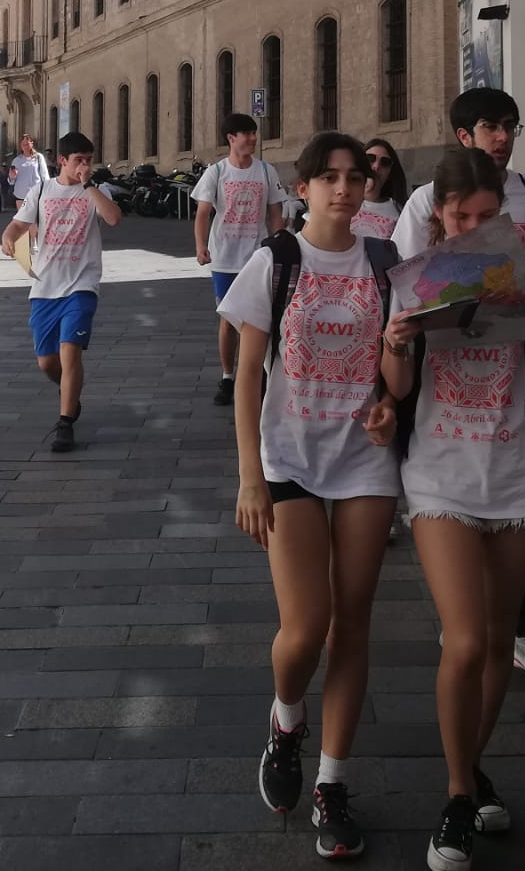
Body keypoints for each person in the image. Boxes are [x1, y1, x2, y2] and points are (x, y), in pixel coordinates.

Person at [377, 148, 525, 871]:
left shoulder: (520, 269)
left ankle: (472, 772)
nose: (472, 226)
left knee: (501, 640)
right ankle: (454, 793)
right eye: (459, 215)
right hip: (440, 471)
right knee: (465, 641)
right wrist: (399, 341)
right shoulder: (415, 278)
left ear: (503, 213)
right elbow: (398, 389)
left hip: (515, 468)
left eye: (485, 215)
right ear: (438, 214)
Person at [221, 132, 402, 860]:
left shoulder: (386, 264)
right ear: (303, 188)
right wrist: (248, 476)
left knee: (352, 626)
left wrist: (390, 398)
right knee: (306, 627)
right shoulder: (278, 260)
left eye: (356, 177)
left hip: (364, 460)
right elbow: (247, 375)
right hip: (290, 459)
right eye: (329, 177)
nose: (344, 189)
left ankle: (332, 783)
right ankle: (286, 717)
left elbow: (397, 356)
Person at [394, 87, 525, 694]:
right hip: (444, 390)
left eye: (511, 127)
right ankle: (465, 619)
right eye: (491, 127)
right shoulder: (424, 200)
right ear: (464, 134)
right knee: (459, 532)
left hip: (523, 379)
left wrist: (523, 294)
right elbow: (410, 285)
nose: (504, 137)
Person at [0, 132, 121, 454]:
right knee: (47, 362)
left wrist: (89, 185)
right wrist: (9, 238)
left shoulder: (96, 191)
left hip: (82, 284)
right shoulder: (41, 191)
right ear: (62, 162)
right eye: (78, 160)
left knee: (70, 351)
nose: (84, 166)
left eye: (88, 160)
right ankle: (70, 390)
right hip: (45, 286)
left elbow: (113, 218)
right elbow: (17, 224)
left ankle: (65, 423)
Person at [194, 114, 289, 408]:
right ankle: (227, 375)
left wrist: (278, 242)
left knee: (259, 318)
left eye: (253, 133)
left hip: (257, 255)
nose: (252, 138)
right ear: (230, 138)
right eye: (245, 134)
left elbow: (275, 211)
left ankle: (260, 373)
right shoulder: (217, 172)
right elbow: (202, 213)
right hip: (224, 256)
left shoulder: (265, 171)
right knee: (228, 319)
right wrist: (200, 246)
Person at [9, 133, 51, 212]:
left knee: (34, 220)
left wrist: (47, 190)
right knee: (22, 220)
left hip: (35, 194)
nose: (25, 146)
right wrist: (12, 177)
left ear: (32, 143)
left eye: (27, 143)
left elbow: (44, 175)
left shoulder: (38, 157)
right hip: (20, 195)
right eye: (23, 144)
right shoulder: (16, 160)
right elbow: (11, 181)